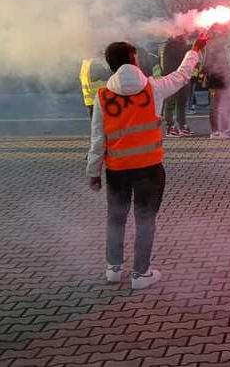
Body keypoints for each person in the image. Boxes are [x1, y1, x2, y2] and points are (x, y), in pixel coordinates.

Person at [86, 34, 208, 290]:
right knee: (145, 220)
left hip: (117, 170)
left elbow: (98, 138)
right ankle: (140, 274)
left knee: (116, 217)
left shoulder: (103, 96)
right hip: (149, 170)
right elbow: (182, 75)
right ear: (133, 61)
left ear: (111, 65)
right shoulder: (154, 88)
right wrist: (195, 49)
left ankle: (113, 268)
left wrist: (93, 172)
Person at [160, 34, 194, 137]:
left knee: (181, 104)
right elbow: (180, 54)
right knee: (170, 104)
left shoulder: (181, 45)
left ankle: (182, 125)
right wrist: (192, 47)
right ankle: (170, 127)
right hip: (171, 79)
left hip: (182, 78)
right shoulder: (170, 46)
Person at [202, 27, 230, 139]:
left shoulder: (221, 49)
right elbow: (206, 66)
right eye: (223, 36)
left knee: (224, 104)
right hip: (215, 81)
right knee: (215, 106)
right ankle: (214, 132)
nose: (226, 38)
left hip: (221, 80)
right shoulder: (213, 49)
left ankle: (224, 128)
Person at [79, 52, 111, 119]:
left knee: (96, 124)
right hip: (100, 99)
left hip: (90, 100)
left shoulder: (85, 64)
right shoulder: (95, 64)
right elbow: (103, 76)